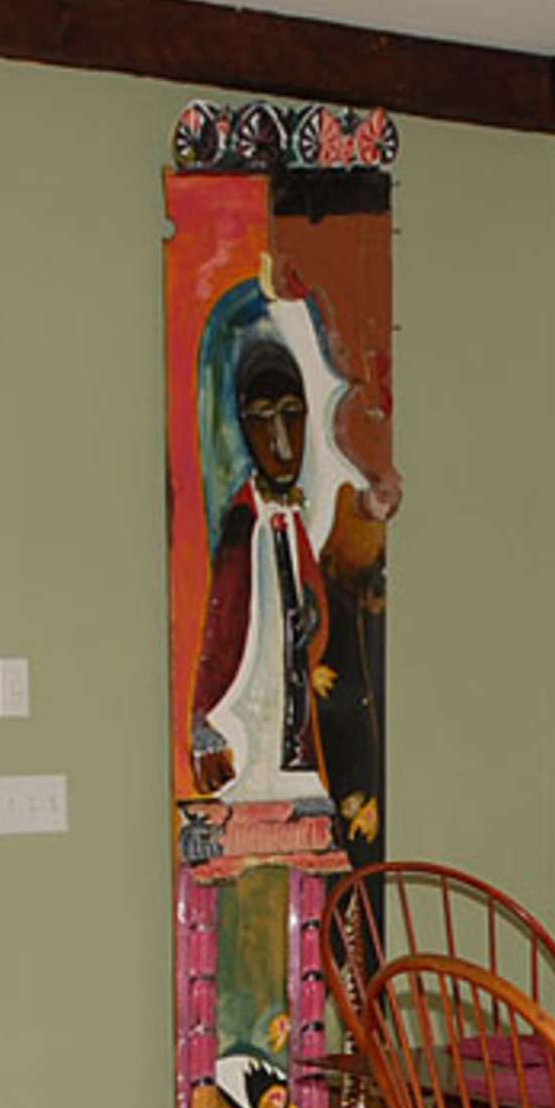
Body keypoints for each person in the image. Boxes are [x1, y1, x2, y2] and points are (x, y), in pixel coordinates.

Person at [187, 341, 334, 806]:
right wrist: (204, 720)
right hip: (247, 736)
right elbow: (223, 627)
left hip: (295, 746)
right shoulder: (244, 523)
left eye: (291, 413)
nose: (281, 441)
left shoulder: (294, 521)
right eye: (264, 417)